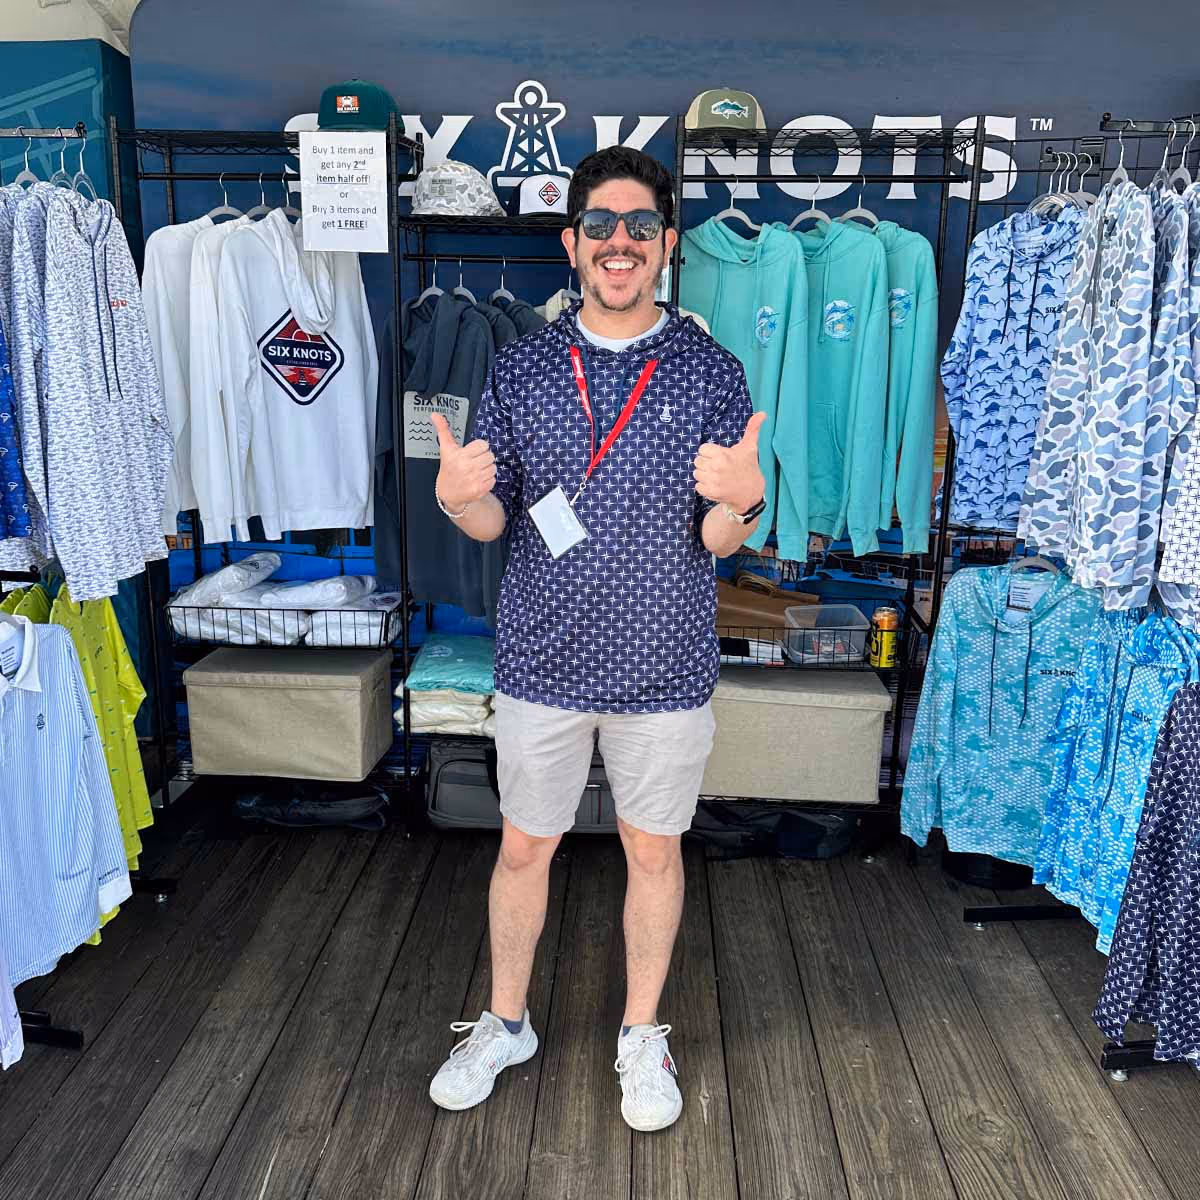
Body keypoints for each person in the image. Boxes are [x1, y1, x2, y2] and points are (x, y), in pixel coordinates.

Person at [426, 146, 765, 1132]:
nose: (622, 243)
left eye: (641, 226)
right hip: (541, 662)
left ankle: (641, 1034)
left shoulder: (709, 370)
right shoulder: (523, 365)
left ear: (667, 244)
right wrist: (458, 502)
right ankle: (505, 1023)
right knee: (523, 847)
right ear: (573, 244)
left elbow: (719, 537)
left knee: (653, 854)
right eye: (603, 227)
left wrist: (745, 504)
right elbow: (497, 517)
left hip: (665, 668)